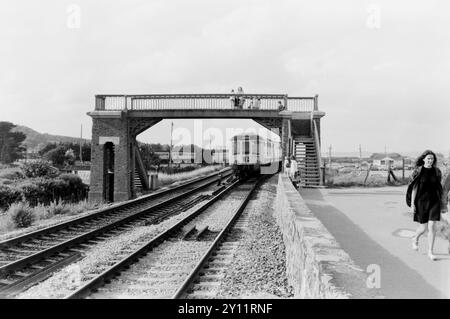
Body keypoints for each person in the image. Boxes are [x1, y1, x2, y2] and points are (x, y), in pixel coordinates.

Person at [406, 150, 445, 260]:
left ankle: (430, 252)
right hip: (421, 202)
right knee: (423, 228)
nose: (430, 160)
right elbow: (414, 188)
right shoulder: (418, 171)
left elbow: (439, 188)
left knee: (432, 226)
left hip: (434, 202)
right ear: (423, 159)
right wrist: (413, 204)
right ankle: (415, 238)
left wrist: (443, 203)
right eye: (428, 158)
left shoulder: (437, 171)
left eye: (432, 159)